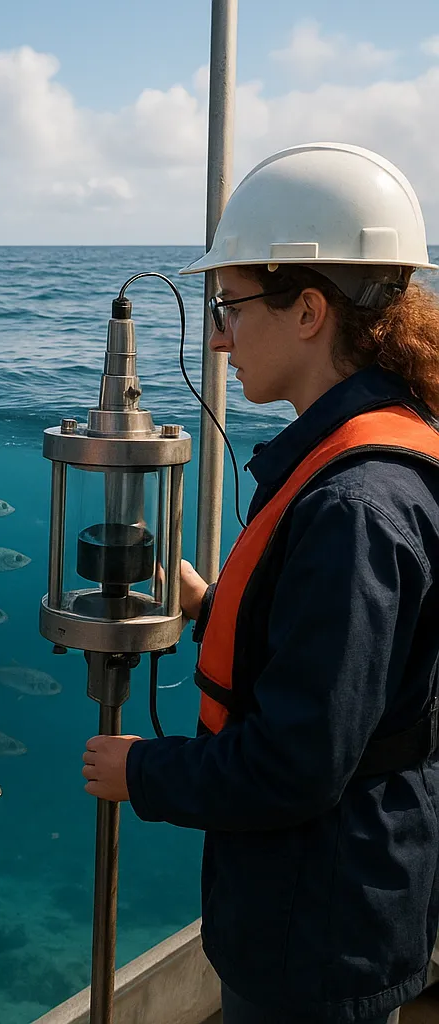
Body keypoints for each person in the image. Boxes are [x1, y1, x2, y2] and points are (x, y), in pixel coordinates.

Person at [81, 142, 439, 1024]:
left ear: (309, 309)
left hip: (318, 930)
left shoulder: (354, 504)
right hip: (343, 899)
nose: (216, 336)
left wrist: (146, 772)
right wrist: (216, 613)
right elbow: (356, 674)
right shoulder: (384, 448)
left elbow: (298, 763)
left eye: (231, 306)